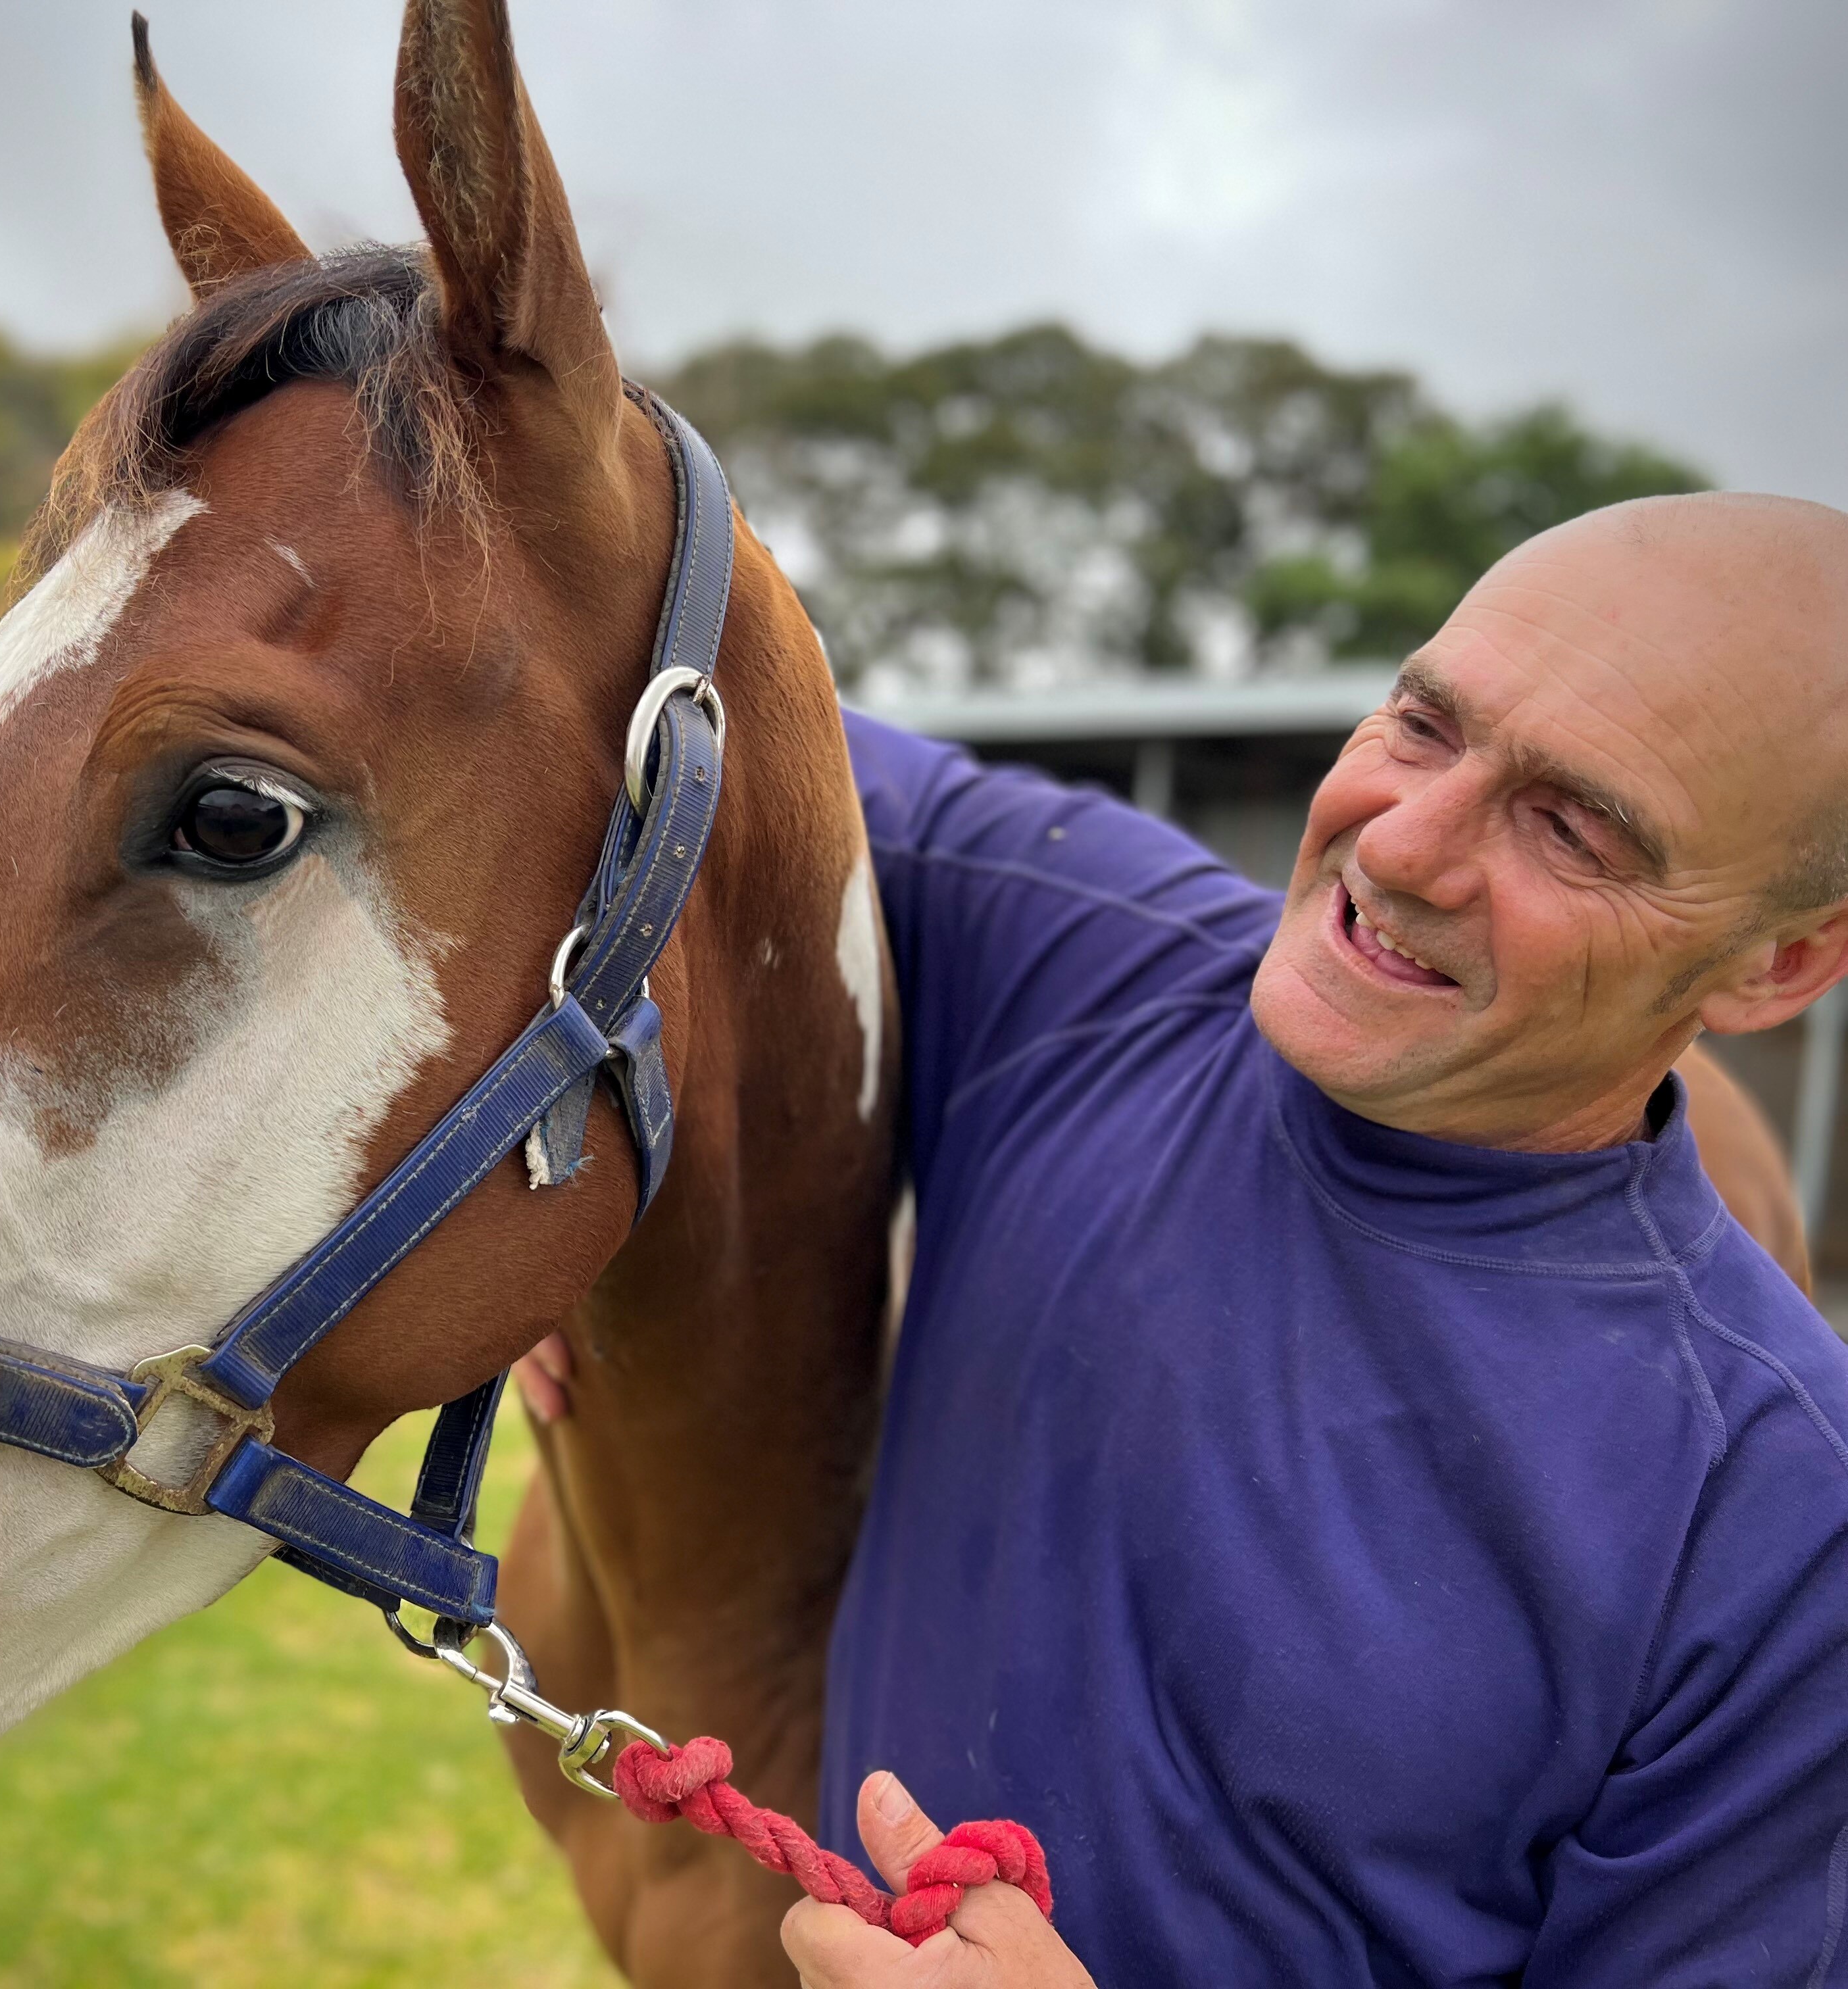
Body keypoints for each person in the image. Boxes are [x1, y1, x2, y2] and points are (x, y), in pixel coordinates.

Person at [774, 493, 1848, 1986]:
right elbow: (642, 681)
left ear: (1778, 962)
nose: (1400, 848)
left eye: (1570, 827)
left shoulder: (1779, 1522)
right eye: (1420, 722)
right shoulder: (1071, 956)